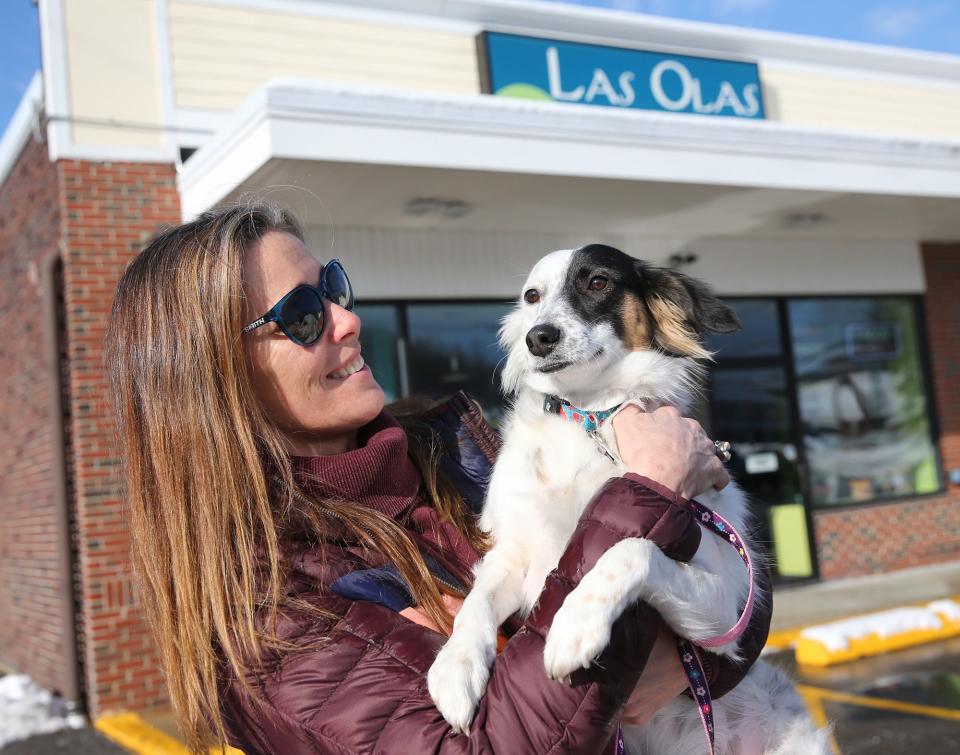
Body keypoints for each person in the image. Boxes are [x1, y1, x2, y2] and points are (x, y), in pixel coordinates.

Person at [106, 202, 771, 754]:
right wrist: (651, 492)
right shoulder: (268, 609)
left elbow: (738, 600)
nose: (349, 319)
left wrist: (693, 662)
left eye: (334, 287)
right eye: (302, 315)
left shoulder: (458, 448)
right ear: (216, 381)